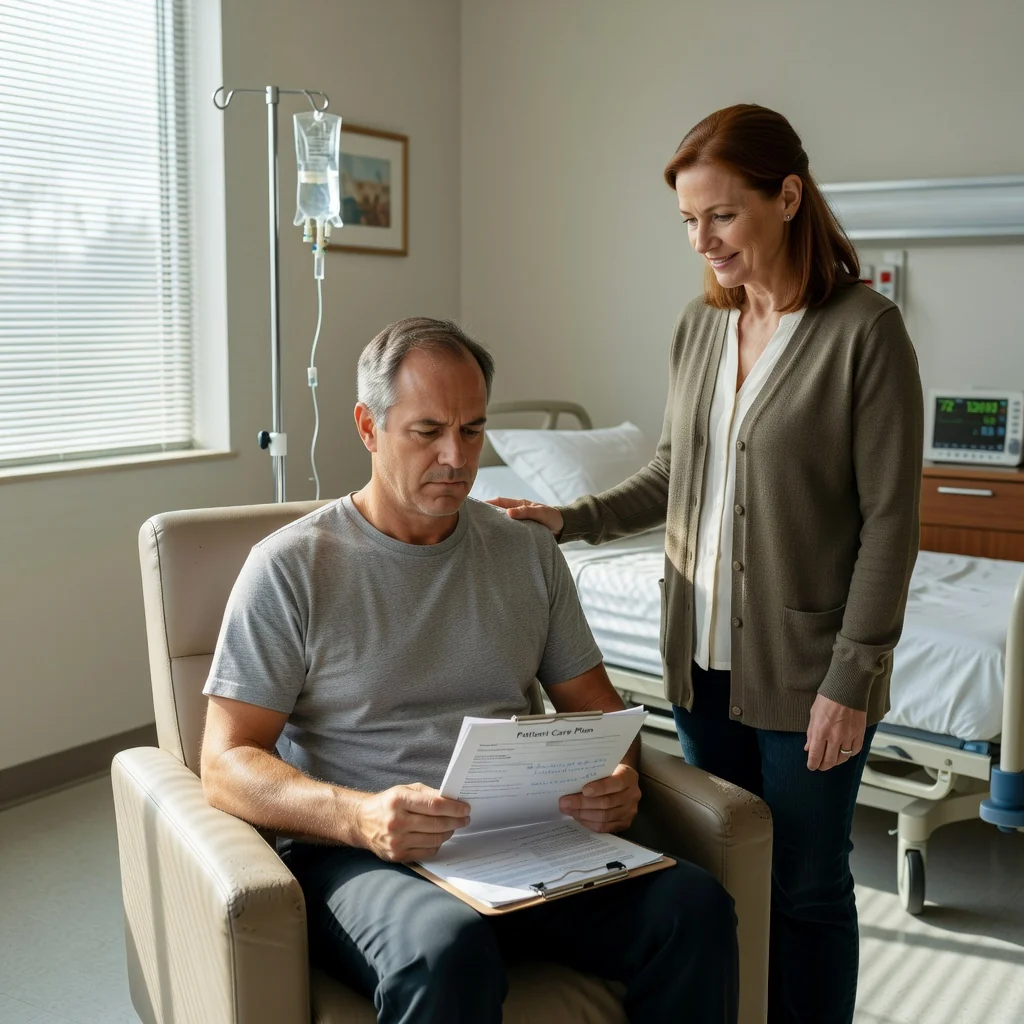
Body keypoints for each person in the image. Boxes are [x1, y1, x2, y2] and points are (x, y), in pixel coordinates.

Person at [492, 105, 924, 1024]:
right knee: (724, 872)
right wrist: (572, 517)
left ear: (788, 197)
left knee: (808, 891)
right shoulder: (699, 326)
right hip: (699, 666)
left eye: (721, 215)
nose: (703, 239)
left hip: (811, 675)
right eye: (689, 222)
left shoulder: (864, 331)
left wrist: (852, 678)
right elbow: (672, 472)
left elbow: (891, 522)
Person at [200, 317, 739, 1024]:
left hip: (524, 840)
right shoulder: (292, 567)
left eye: (473, 430)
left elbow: (600, 712)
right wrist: (360, 816)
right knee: (447, 951)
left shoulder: (526, 551)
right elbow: (225, 760)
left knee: (693, 908)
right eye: (427, 432)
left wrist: (617, 778)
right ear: (368, 426)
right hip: (360, 853)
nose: (456, 457)